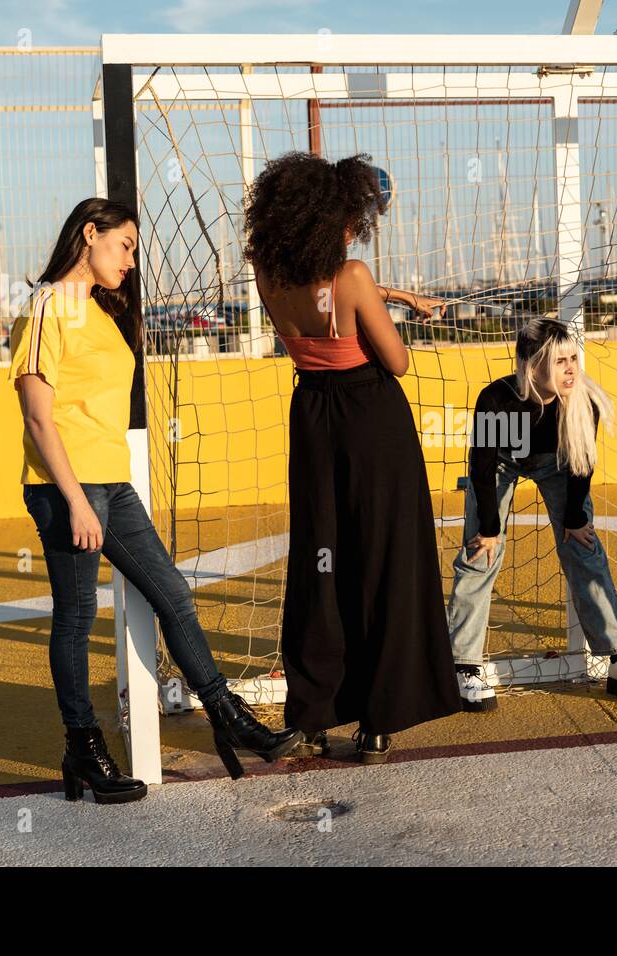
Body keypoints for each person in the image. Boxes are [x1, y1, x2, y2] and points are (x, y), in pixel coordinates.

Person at [11, 197, 301, 804]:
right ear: (89, 234)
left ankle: (228, 716)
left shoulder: (98, 310)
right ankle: (83, 749)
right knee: (75, 616)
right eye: (125, 245)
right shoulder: (48, 307)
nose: (132, 259)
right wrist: (76, 502)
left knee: (171, 591)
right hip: (69, 489)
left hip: (112, 481)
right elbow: (39, 418)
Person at [243, 151, 462, 765]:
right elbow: (395, 360)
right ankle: (379, 720)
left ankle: (311, 713)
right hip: (370, 421)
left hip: (312, 418)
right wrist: (388, 310)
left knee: (322, 562)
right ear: (333, 220)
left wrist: (394, 294)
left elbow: (320, 292)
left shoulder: (266, 272)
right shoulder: (354, 276)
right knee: (386, 562)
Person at [447, 317, 617, 710]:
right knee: (480, 554)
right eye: (559, 361)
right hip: (503, 463)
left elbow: (581, 466)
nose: (571, 368)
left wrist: (575, 518)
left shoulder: (583, 401)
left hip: (557, 462)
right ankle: (464, 666)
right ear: (531, 366)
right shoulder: (497, 399)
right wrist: (489, 529)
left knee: (584, 548)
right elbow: (483, 467)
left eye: (573, 358)